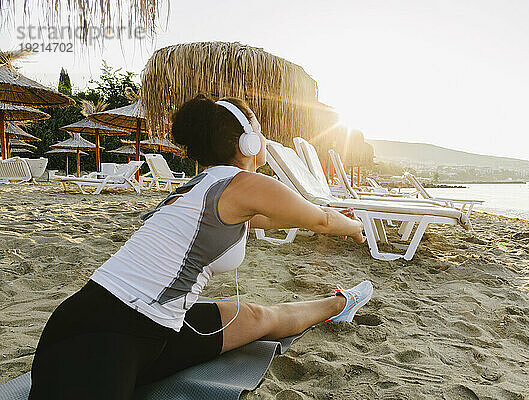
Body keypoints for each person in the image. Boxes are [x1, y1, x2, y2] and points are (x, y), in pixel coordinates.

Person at [28, 94, 373, 399]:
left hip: (160, 330)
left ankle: (340, 303)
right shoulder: (244, 184)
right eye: (258, 127)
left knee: (256, 316)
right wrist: (356, 227)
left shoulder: (203, 188)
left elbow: (276, 219)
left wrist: (325, 213)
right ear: (248, 142)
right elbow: (322, 223)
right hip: (102, 334)